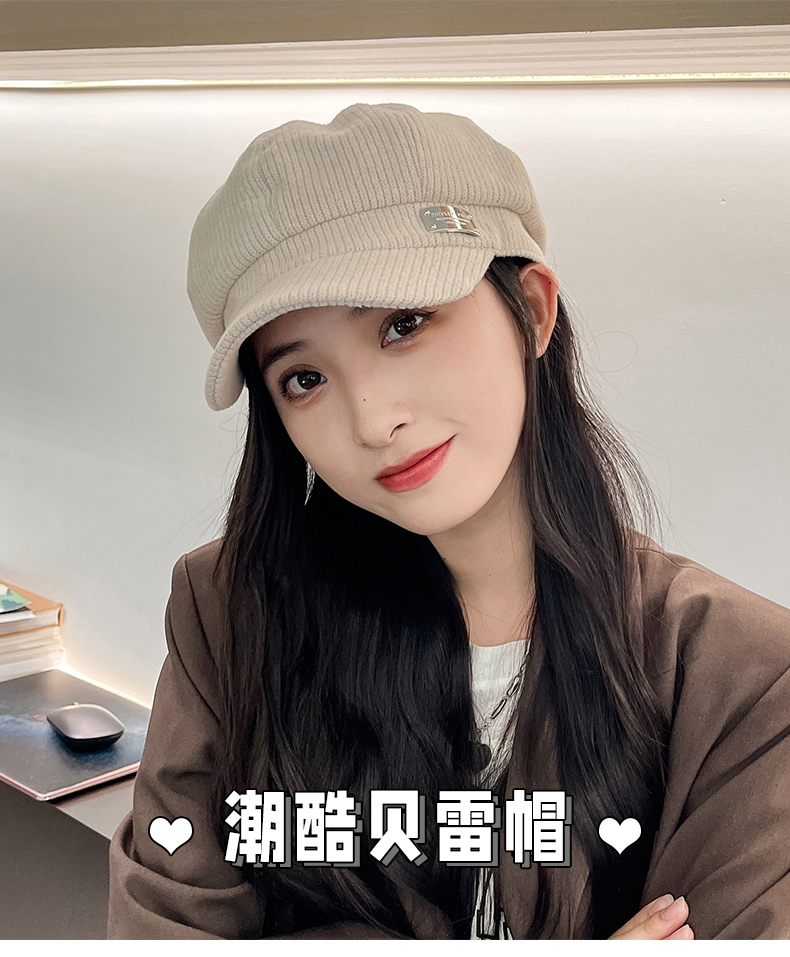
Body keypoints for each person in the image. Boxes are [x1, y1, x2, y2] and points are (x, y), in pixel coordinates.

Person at [107, 102, 790, 939]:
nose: (371, 420)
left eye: (404, 324)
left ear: (532, 310)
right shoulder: (229, 611)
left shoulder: (742, 676)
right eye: (304, 379)